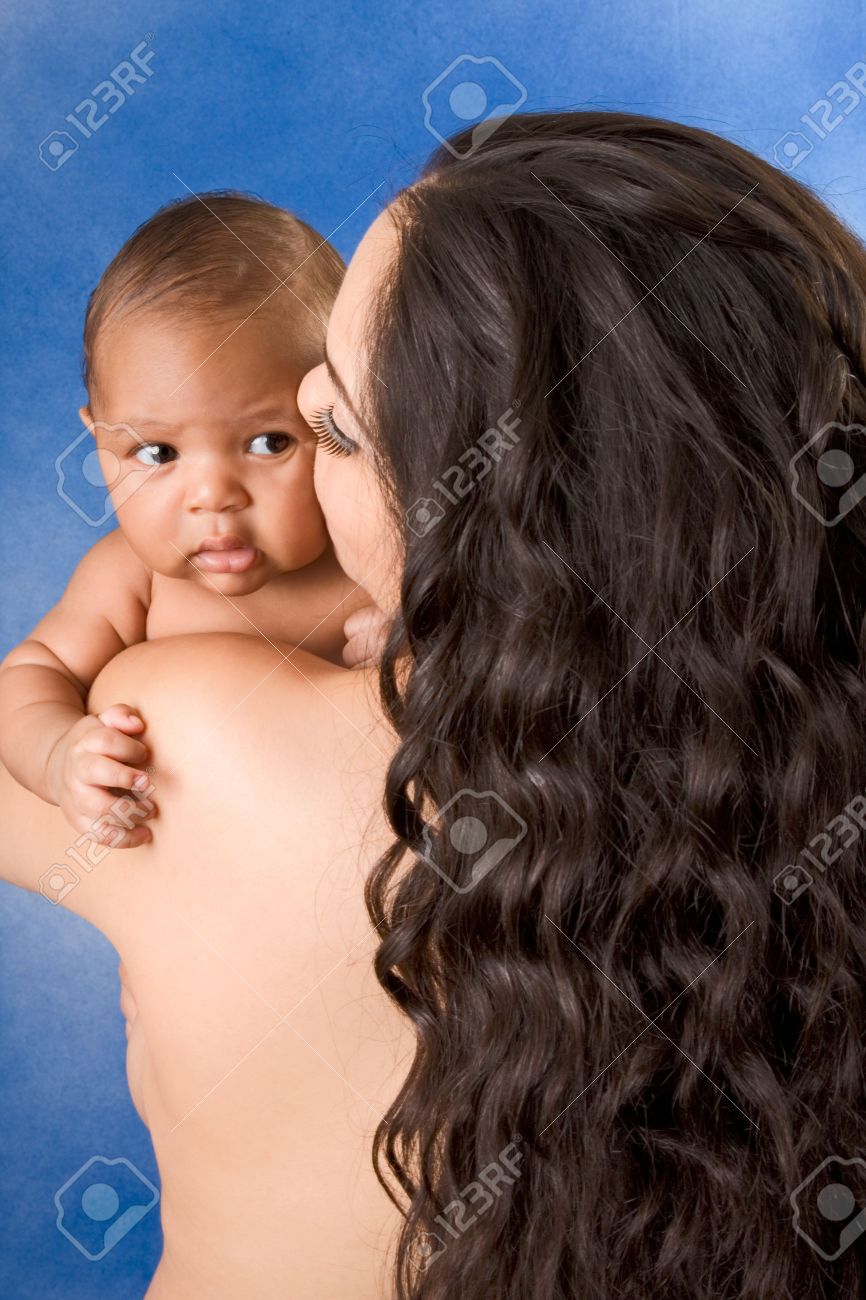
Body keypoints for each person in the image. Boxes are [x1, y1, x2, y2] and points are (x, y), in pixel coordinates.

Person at [3, 107, 866, 1300]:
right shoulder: (806, 789)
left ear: (464, 507)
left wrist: (59, 727)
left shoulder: (187, 734)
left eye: (329, 431)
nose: (256, 470)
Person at [0, 191, 386, 848]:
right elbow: (31, 676)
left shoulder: (373, 555)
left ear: (339, 418)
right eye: (156, 453)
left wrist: (419, 640)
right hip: (198, 881)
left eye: (269, 442)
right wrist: (60, 753)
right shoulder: (129, 581)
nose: (212, 496)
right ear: (97, 440)